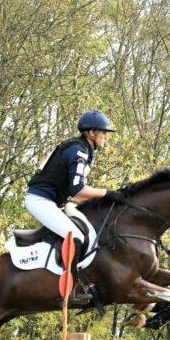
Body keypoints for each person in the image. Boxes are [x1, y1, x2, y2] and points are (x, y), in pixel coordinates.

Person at [25, 110, 118, 304]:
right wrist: (106, 193)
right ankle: (70, 290)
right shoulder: (79, 151)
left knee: (88, 227)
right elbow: (78, 192)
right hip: (40, 201)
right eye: (103, 132)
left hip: (56, 201)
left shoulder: (79, 148)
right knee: (75, 236)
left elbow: (74, 196)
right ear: (91, 133)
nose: (106, 137)